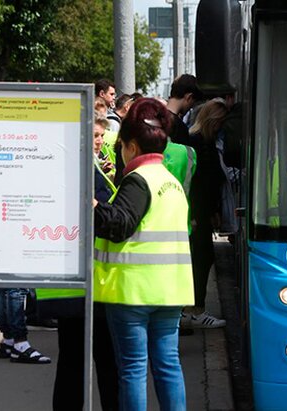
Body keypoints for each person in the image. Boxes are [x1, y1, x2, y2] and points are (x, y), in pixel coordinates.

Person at [93, 98, 194, 410]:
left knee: (133, 369)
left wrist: (92, 206)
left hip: (133, 292)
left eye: (122, 146)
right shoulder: (171, 182)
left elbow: (119, 224)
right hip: (170, 291)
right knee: (168, 365)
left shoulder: (138, 180)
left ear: (132, 146)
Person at [35, 115, 118, 411]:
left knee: (71, 361)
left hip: (67, 283)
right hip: (91, 284)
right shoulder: (86, 172)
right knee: (105, 361)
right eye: (95, 136)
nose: (100, 142)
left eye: (101, 136)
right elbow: (105, 219)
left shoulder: (59, 167)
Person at [182, 98, 231, 329]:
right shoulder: (200, 142)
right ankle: (194, 309)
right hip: (197, 211)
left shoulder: (202, 140)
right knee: (201, 259)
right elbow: (199, 182)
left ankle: (193, 308)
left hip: (201, 210)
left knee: (202, 258)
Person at [166, 74, 203, 147]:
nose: (191, 108)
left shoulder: (155, 117)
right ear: (189, 97)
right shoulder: (180, 128)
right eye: (193, 103)